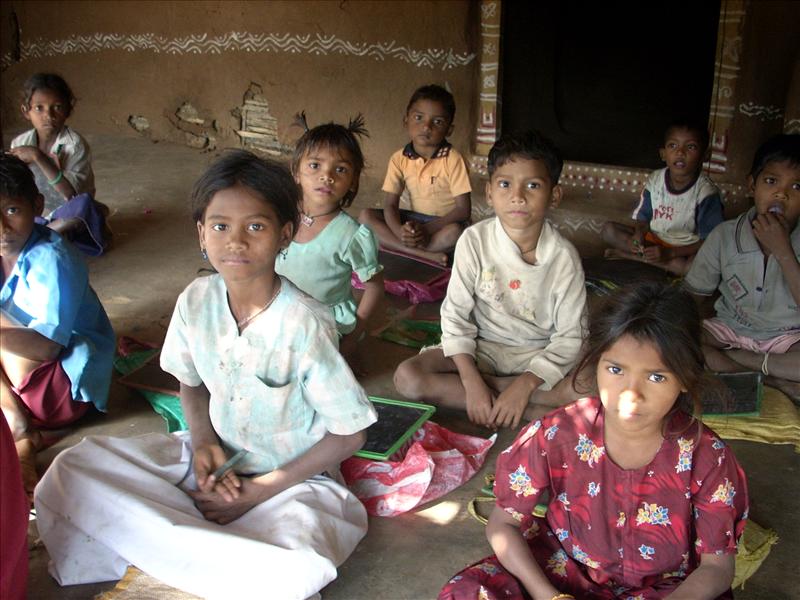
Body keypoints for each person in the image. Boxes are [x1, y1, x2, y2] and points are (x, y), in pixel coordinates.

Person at [33, 151, 378, 600]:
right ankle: (198, 552)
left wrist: (258, 492)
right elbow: (190, 384)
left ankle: (178, 548)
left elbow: (351, 435)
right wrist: (203, 443)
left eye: (256, 226)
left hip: (295, 483)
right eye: (220, 226)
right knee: (71, 470)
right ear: (202, 233)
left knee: (294, 567)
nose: (236, 241)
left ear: (285, 235)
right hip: (215, 461)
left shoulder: (305, 323)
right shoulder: (197, 299)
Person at [439, 283, 748, 600]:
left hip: (667, 589)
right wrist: (548, 596)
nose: (632, 394)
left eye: (657, 376)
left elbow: (717, 568)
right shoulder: (558, 433)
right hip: (564, 572)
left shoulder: (707, 455)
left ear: (685, 379)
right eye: (615, 369)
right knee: (466, 593)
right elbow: (503, 524)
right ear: (595, 364)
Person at [394, 131, 586, 429]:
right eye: (505, 184)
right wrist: (471, 382)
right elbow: (455, 315)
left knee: (594, 384)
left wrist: (525, 384)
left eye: (533, 185)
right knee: (407, 377)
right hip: (481, 350)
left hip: (536, 355)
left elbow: (571, 337)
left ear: (555, 195)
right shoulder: (474, 241)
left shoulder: (563, 258)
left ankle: (510, 398)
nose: (517, 196)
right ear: (489, 193)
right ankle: (529, 411)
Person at [0, 152, 114, 498]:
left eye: (12, 211)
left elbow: (49, 347)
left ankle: (18, 425)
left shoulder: (53, 257)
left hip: (61, 389)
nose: (2, 228)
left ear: (36, 205)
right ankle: (18, 425)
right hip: (24, 378)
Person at [685, 134, 800, 398]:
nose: (781, 193)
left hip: (788, 338)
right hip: (730, 329)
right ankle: (775, 382)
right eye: (771, 181)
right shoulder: (725, 235)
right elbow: (693, 298)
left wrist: (783, 250)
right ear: (751, 186)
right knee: (676, 340)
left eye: (797, 187)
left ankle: (743, 364)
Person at [276, 112, 384, 365]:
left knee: (307, 368)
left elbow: (375, 286)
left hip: (323, 322)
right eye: (315, 165)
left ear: (353, 181)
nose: (327, 176)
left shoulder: (350, 234)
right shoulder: (279, 216)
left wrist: (355, 335)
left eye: (341, 169)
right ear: (296, 172)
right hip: (278, 311)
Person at [359, 84, 472, 266]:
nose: (426, 127)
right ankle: (422, 253)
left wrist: (426, 230)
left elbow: (463, 210)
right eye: (418, 118)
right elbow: (390, 205)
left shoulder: (453, 159)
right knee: (365, 216)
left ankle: (403, 248)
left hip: (440, 224)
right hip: (414, 221)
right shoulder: (399, 158)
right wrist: (400, 232)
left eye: (437, 122)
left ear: (449, 130)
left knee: (456, 232)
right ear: (406, 121)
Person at [602, 121, 723, 274]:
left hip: (685, 250)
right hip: (654, 242)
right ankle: (654, 260)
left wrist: (670, 253)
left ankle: (629, 256)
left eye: (690, 147)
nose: (680, 152)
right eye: (673, 146)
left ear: (705, 155)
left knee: (690, 268)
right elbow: (644, 217)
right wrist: (638, 235)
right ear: (663, 154)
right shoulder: (655, 179)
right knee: (609, 230)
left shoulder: (706, 193)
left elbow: (709, 241)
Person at [9, 73, 108, 255]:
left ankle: (41, 235)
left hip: (66, 212)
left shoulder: (75, 145)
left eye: (57, 107)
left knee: (85, 206)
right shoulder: (20, 143)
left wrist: (39, 157)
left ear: (68, 110)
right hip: (36, 212)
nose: (49, 115)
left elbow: (70, 194)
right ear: (26, 111)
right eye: (39, 108)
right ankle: (44, 233)